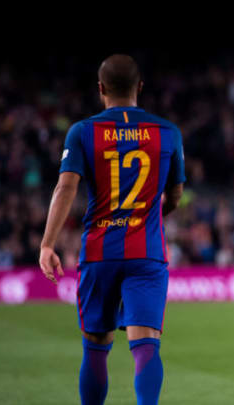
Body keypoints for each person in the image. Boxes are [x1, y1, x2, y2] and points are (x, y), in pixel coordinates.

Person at [39, 54, 185, 405]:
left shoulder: (83, 131)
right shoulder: (167, 132)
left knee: (96, 346)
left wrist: (47, 244)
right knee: (146, 342)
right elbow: (176, 195)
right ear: (140, 88)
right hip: (146, 251)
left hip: (99, 251)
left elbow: (65, 188)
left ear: (101, 88)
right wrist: (152, 215)